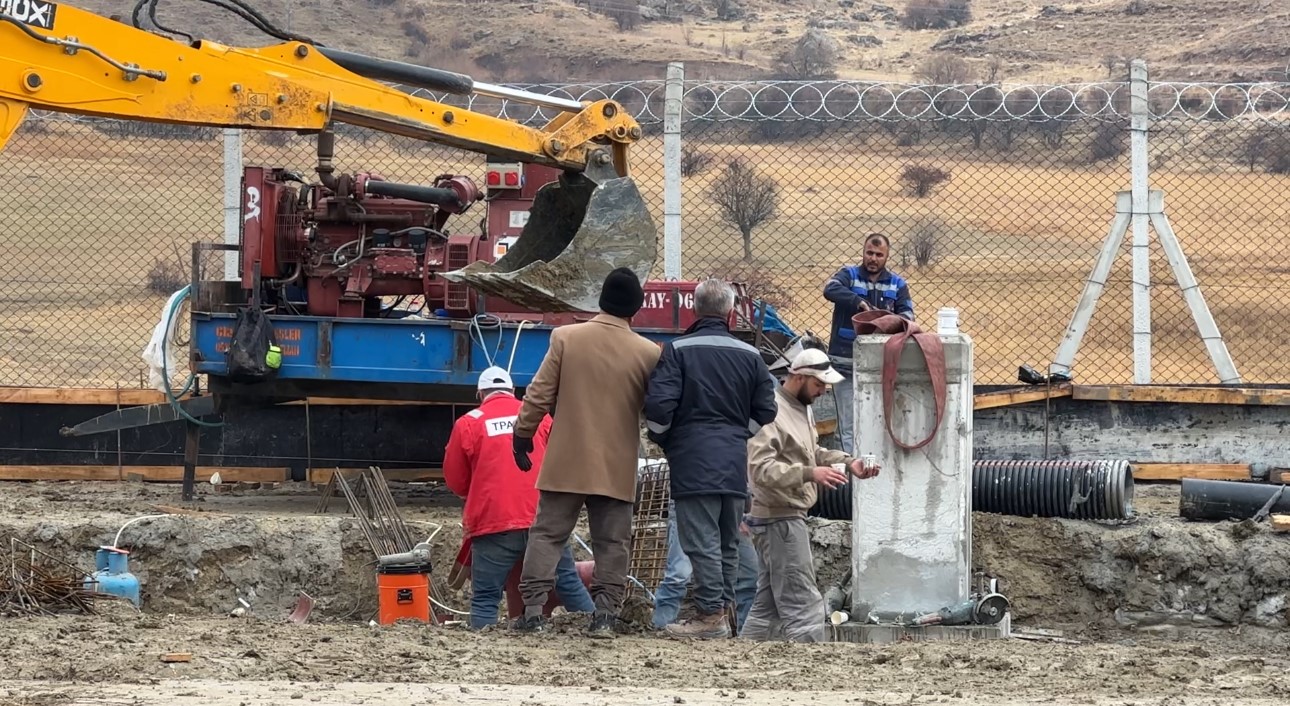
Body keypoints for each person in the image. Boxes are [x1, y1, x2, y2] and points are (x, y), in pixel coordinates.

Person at [511, 267, 663, 638]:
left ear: (601, 299)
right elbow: (654, 412)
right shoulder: (648, 352)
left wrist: (523, 434)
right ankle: (605, 616)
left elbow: (539, 392)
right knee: (612, 541)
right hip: (616, 463)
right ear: (636, 308)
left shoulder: (566, 338)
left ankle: (532, 612)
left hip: (567, 459)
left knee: (547, 534)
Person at [644, 277, 777, 639]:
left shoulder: (678, 350)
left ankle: (710, 616)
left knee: (700, 542)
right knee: (727, 541)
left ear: (695, 308)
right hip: (734, 462)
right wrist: (738, 434)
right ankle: (724, 612)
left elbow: (657, 407)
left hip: (693, 460)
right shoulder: (750, 355)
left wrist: (668, 438)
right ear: (731, 312)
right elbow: (766, 409)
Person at [742, 348, 881, 643]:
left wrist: (847, 462)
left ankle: (744, 654)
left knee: (767, 606)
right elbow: (760, 469)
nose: (823, 391)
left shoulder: (800, 406)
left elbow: (811, 452)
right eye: (819, 384)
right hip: (779, 518)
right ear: (799, 377)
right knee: (802, 602)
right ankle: (814, 659)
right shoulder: (770, 411)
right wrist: (810, 473)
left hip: (783, 517)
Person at [442, 366, 595, 630]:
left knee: (486, 597)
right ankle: (597, 626)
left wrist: (479, 492)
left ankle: (484, 649)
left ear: (480, 394)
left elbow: (456, 479)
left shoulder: (469, 423)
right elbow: (562, 463)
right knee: (568, 581)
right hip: (543, 520)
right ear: (513, 391)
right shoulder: (541, 419)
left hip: (494, 524)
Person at [822, 233, 915, 454]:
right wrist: (858, 302)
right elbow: (830, 289)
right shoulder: (849, 275)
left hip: (882, 365)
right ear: (863, 252)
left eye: (879, 255)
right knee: (848, 423)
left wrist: (887, 321)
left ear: (886, 256)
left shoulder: (897, 284)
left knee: (879, 420)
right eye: (869, 253)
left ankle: (874, 468)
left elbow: (908, 316)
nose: (873, 258)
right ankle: (851, 477)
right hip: (844, 362)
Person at [650, 506, 759, 634]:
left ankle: (743, 635)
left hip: (731, 503)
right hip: (689, 502)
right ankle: (661, 627)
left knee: (749, 578)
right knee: (678, 574)